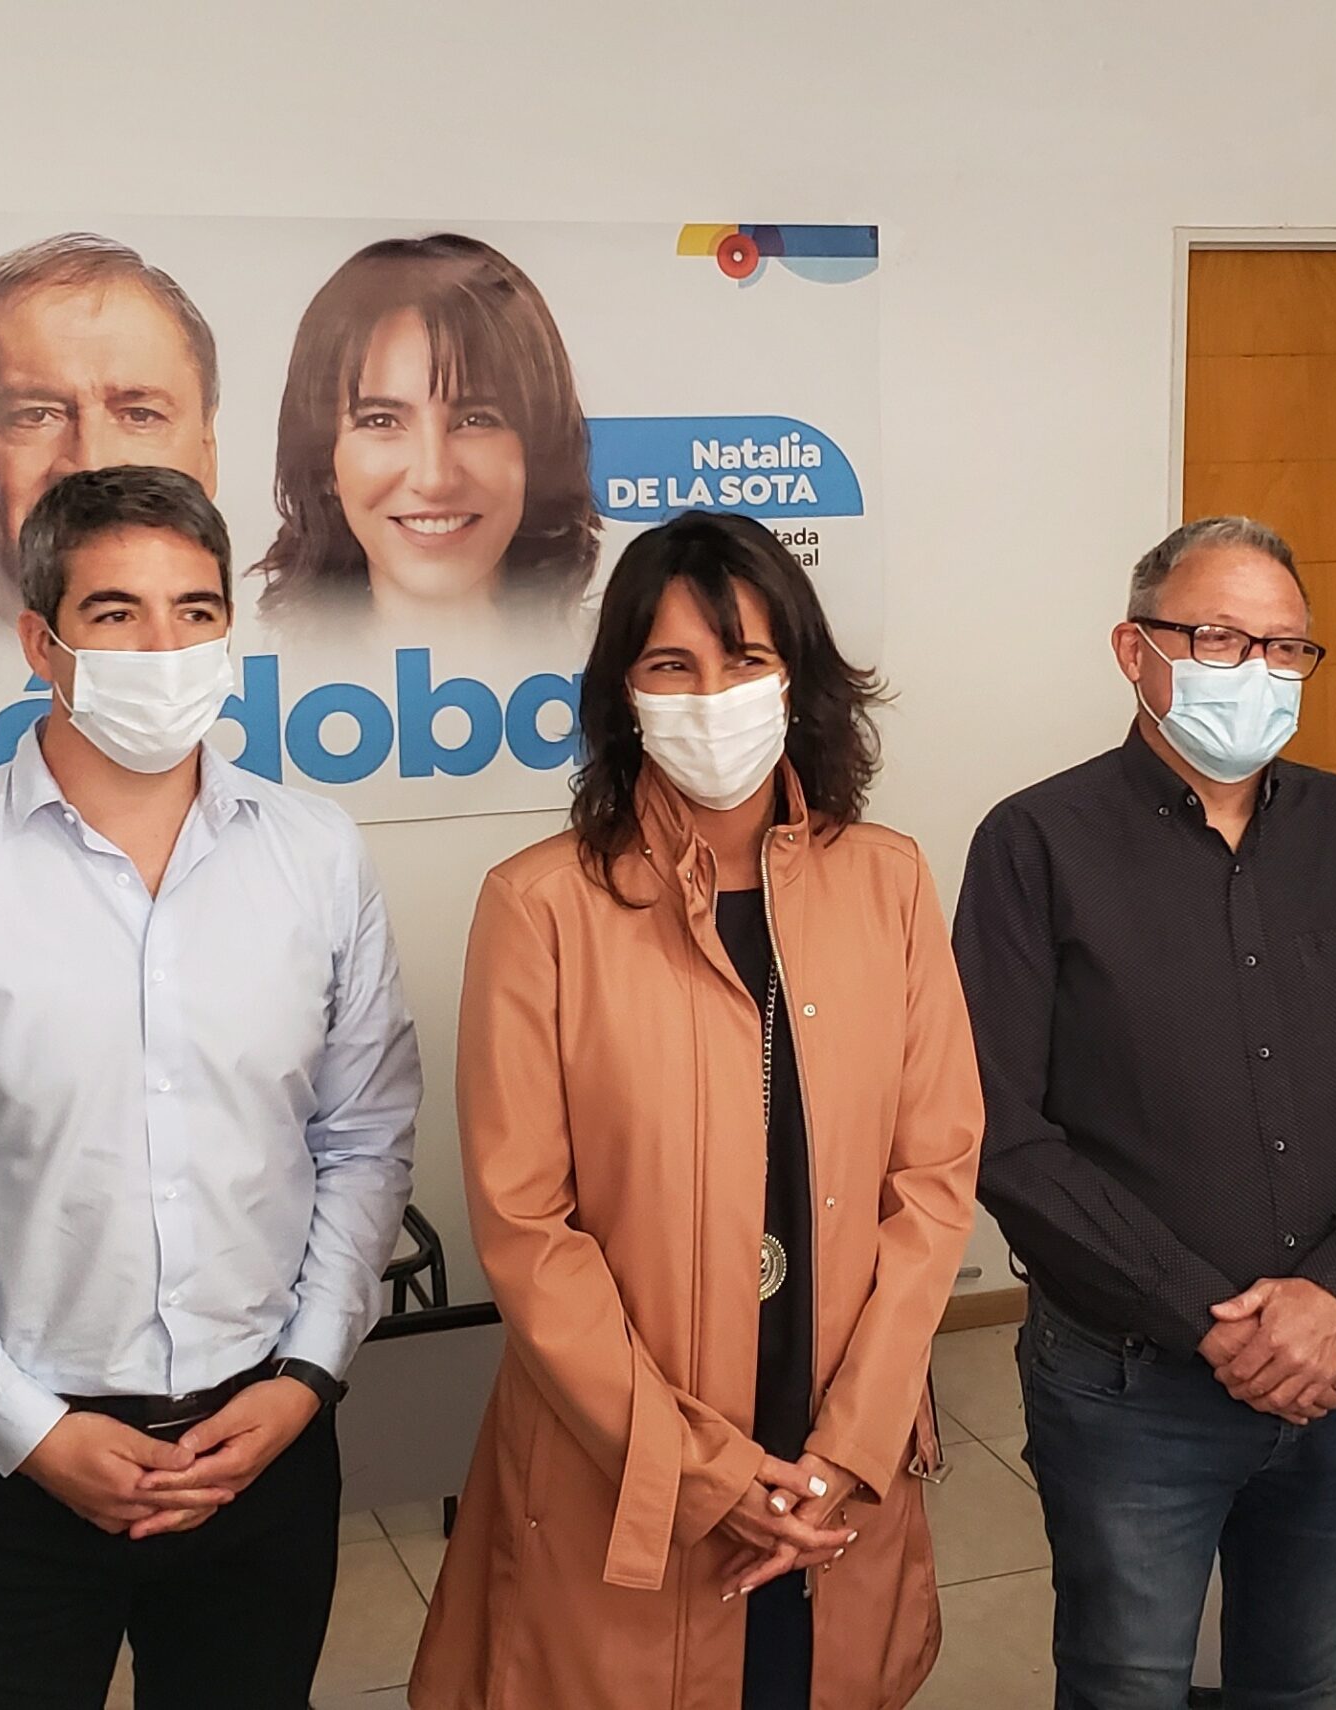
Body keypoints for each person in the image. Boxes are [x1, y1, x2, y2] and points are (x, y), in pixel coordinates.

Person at [410, 510, 983, 1710]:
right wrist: (703, 1473)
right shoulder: (539, 908)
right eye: (670, 665)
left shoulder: (888, 882)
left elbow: (933, 1185)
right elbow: (526, 1229)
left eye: (744, 660)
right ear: (623, 695)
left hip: (837, 1460)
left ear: (798, 679)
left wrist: (847, 1449)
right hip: (627, 1464)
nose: (711, 697)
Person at [0, 464, 420, 1708]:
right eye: (116, 613)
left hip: (263, 1445)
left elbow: (362, 1138)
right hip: (10, 1469)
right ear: (41, 643)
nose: (163, 647)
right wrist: (26, 1431)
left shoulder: (315, 855)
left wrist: (306, 1378)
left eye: (195, 611)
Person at [953, 516, 1336, 1710]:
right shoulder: (1036, 843)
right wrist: (1212, 1322)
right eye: (1221, 638)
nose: (1258, 671)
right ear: (1134, 651)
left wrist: (1332, 1298)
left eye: (1285, 647)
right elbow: (999, 1129)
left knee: (1303, 1683)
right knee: (1126, 1686)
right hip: (1135, 1392)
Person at [0, 234, 221, 683]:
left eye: (139, 415)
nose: (90, 464)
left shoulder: (279, 681)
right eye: (36, 415)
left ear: (208, 452)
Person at [254, 233, 600, 639]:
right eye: (381, 421)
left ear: (538, 454)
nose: (434, 480)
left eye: (476, 420)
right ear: (324, 463)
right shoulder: (249, 667)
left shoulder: (615, 663)